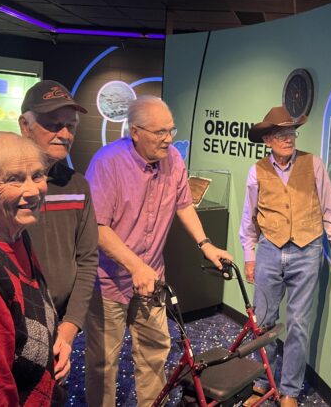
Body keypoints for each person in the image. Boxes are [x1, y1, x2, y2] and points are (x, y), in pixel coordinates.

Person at [84, 95, 233, 406]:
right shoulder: (107, 162)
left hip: (152, 279)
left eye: (171, 131)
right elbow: (97, 227)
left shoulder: (173, 160)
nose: (168, 139)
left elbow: (183, 205)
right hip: (109, 282)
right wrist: (135, 266)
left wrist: (205, 244)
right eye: (160, 132)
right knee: (103, 364)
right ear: (135, 131)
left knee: (154, 354)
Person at [239, 106, 331, 407]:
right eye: (280, 134)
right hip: (269, 251)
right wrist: (250, 256)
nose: (288, 139)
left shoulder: (313, 164)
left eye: (291, 132)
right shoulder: (256, 172)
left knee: (299, 323)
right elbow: (249, 219)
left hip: (307, 250)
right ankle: (262, 383)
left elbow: (330, 210)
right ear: (268, 140)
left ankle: (289, 390)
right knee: (263, 322)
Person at [18, 80, 99, 383]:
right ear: (25, 125)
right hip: (10, 325)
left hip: (59, 327)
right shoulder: (0, 185)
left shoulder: (78, 186)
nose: (64, 134)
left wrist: (69, 328)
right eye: (53, 124)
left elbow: (88, 259)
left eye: (70, 125)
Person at [0, 132, 57, 405]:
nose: (33, 190)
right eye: (14, 179)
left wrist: (55, 341)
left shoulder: (16, 234)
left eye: (37, 176)